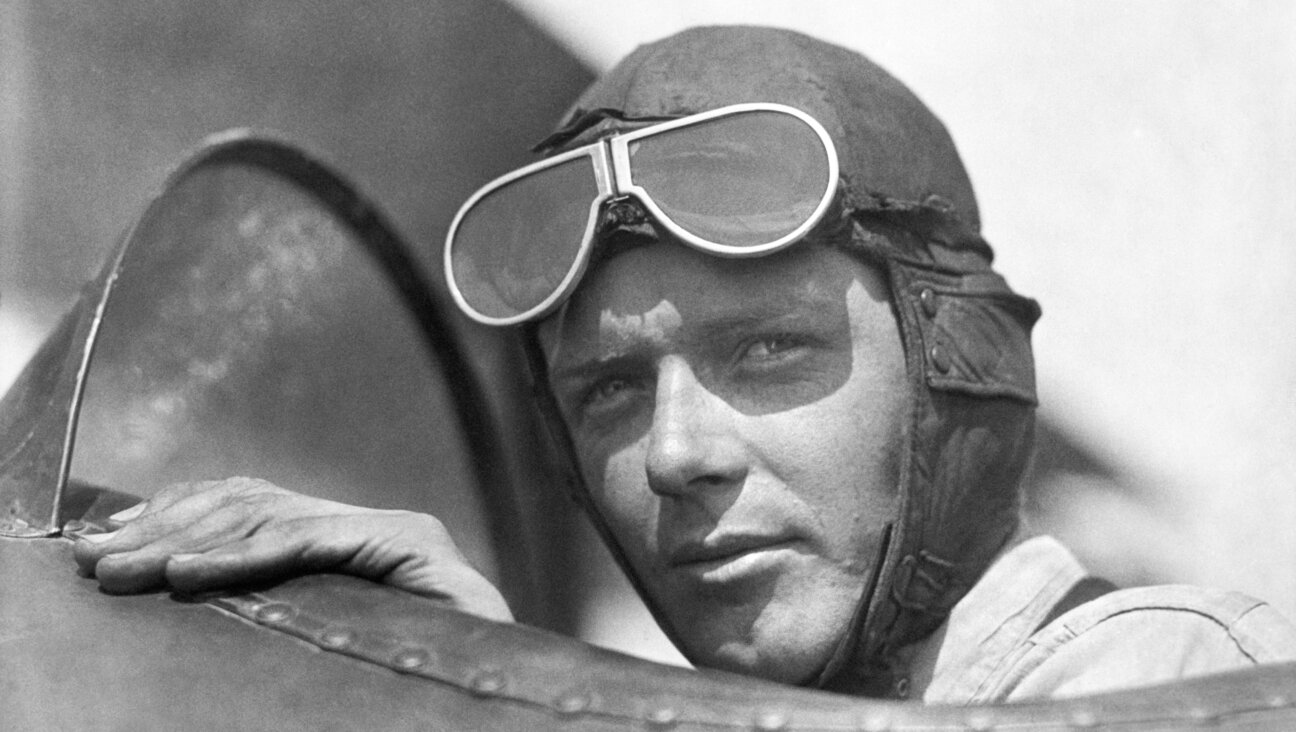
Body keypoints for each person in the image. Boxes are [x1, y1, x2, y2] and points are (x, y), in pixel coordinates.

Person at [72, 25, 1296, 702]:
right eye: (607, 390)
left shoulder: (1155, 677)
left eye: (769, 350)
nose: (674, 454)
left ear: (953, 371)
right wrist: (490, 681)